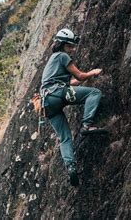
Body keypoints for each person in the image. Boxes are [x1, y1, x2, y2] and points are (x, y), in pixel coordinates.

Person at [40, 28, 106, 186]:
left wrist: (86, 78)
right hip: (58, 94)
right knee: (94, 93)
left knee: (65, 138)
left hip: (47, 103)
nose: (72, 49)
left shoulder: (52, 60)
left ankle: (71, 167)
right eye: (69, 46)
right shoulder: (62, 56)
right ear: (62, 45)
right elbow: (80, 76)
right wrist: (92, 72)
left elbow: (71, 83)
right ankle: (87, 125)